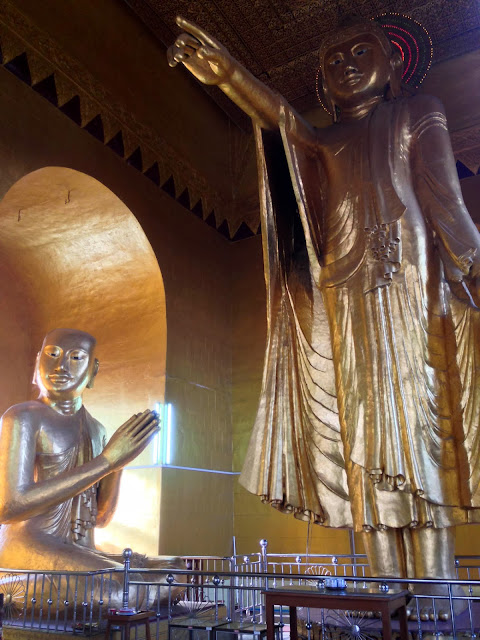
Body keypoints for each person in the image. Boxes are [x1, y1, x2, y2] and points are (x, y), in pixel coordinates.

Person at [168, 15, 480, 601]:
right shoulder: (326, 139)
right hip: (343, 290)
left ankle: (439, 594)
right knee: (363, 427)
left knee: (418, 422)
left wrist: (473, 260)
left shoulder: (418, 112)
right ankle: (388, 595)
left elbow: (445, 199)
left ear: (394, 63)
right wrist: (230, 75)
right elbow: (283, 120)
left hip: (407, 281)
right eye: (333, 62)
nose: (347, 66)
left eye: (361, 52)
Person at [0, 328, 183, 608]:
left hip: (77, 550)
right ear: (38, 361)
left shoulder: (96, 430)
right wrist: (105, 462)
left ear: (93, 370)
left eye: (75, 357)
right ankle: (10, 586)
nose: (61, 366)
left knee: (174, 570)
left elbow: (99, 518)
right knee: (118, 589)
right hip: (29, 546)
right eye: (52, 354)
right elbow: (9, 507)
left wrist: (119, 464)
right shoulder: (23, 417)